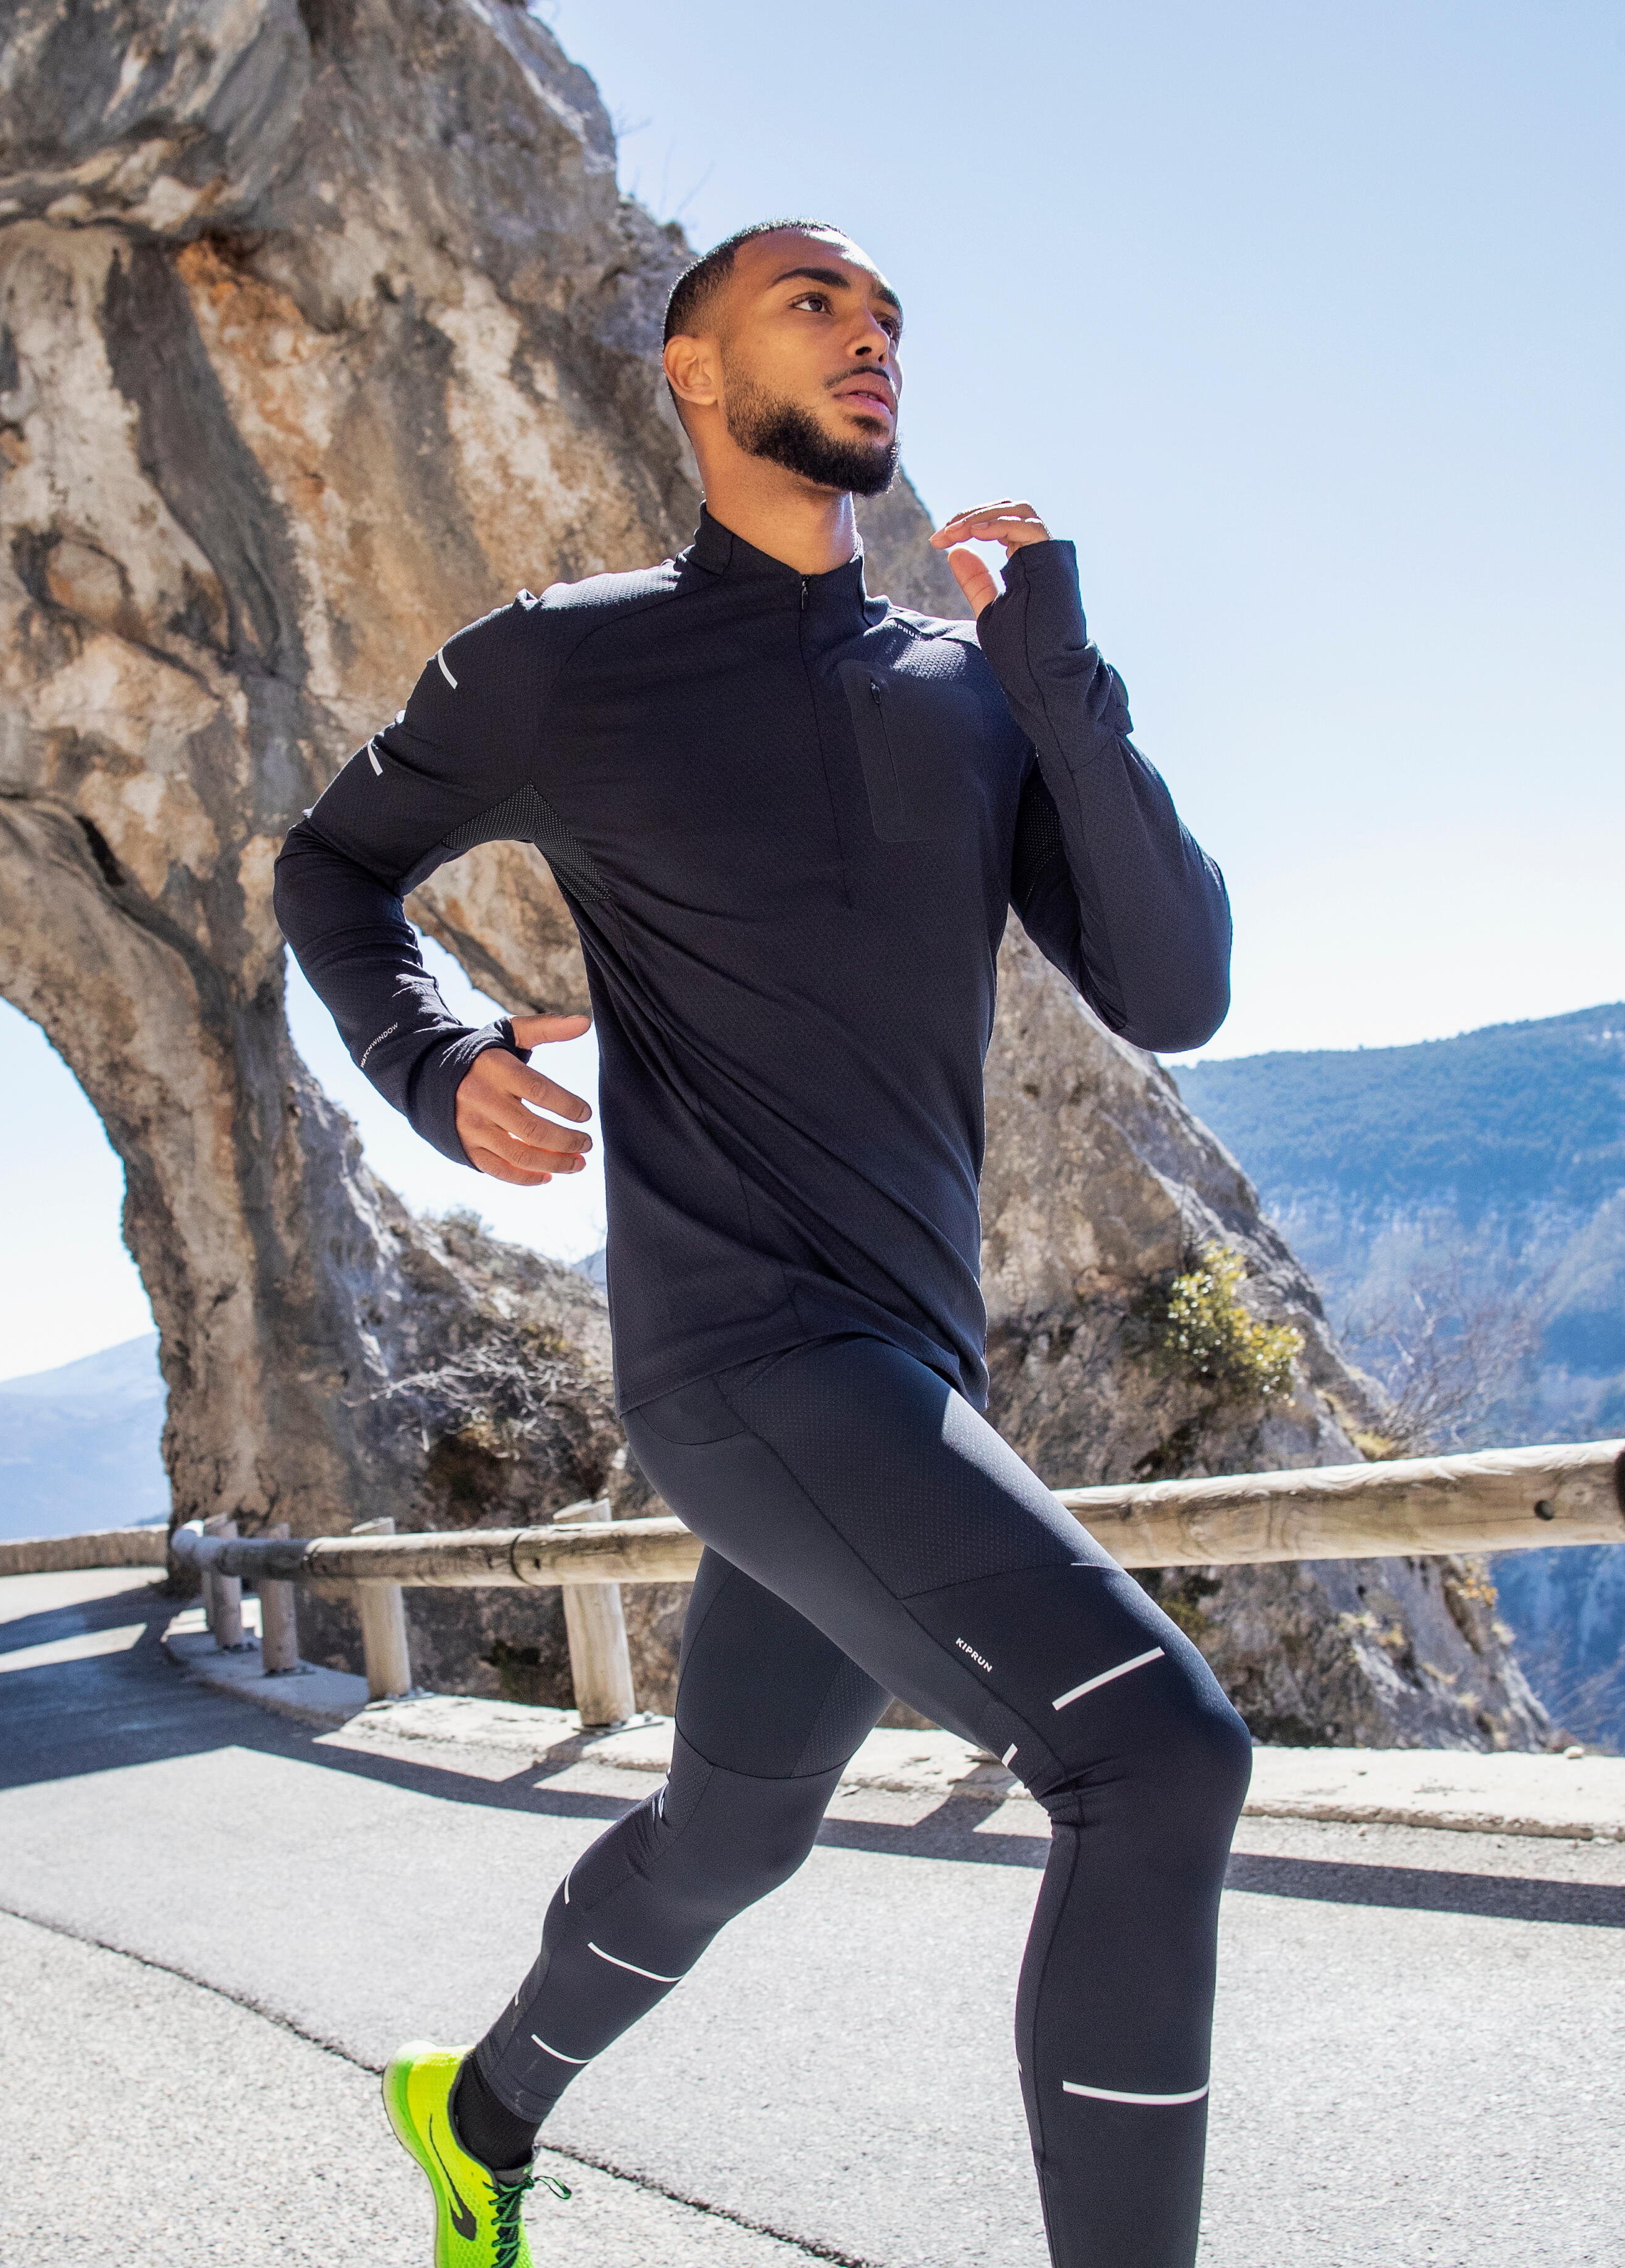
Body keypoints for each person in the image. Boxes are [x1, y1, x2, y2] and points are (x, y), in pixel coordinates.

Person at [274, 218, 1251, 2268]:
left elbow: (1174, 991)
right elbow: (334, 868)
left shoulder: (974, 698)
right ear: (698, 373)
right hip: (744, 1363)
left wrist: (1063, 686)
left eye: (890, 319)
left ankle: (477, 2113)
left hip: (907, 1374)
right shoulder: (566, 661)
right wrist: (433, 1055)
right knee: (1157, 1760)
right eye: (817, 307)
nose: (870, 341)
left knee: (729, 1838)